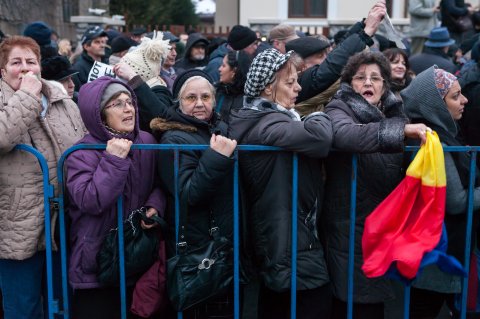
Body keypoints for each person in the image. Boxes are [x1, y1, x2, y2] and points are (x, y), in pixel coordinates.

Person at [322, 51, 430, 318]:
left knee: (374, 302)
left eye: (375, 78)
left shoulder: (394, 110)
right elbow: (346, 135)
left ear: (385, 84)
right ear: (350, 83)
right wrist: (402, 132)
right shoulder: (338, 107)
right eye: (360, 78)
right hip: (350, 223)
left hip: (383, 225)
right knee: (354, 303)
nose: (368, 83)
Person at [228, 48, 333, 319]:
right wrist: (319, 114)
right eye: (290, 82)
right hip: (287, 242)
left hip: (286, 235)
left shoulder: (266, 117)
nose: (298, 87)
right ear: (267, 90)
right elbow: (319, 138)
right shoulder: (267, 123)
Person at [65, 76, 165, 319]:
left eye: (129, 101)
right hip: (97, 262)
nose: (128, 108)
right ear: (98, 113)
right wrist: (113, 160)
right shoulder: (80, 153)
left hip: (138, 256)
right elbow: (91, 200)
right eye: (117, 104)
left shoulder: (147, 142)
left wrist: (155, 205)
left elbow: (160, 185)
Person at [0, 35, 85, 318]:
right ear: (2, 70)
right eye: (15, 62)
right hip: (16, 227)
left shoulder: (62, 101)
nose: (24, 68)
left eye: (31, 62)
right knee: (23, 309)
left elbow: (81, 148)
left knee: (61, 306)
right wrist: (26, 96)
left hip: (62, 224)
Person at [151, 69, 237, 318]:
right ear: (179, 102)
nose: (199, 103)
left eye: (205, 97)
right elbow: (189, 192)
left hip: (223, 243)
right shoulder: (173, 140)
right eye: (191, 98)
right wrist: (216, 157)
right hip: (199, 250)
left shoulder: (219, 128)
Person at [402, 66, 478, 319]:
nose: (464, 99)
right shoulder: (435, 142)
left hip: (441, 250)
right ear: (435, 105)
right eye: (455, 96)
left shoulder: (442, 135)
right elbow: (455, 201)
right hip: (439, 251)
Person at [113, 31, 172, 133]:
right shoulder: (135, 91)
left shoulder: (159, 89)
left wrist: (133, 78)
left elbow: (160, 116)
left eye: (124, 74)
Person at [216, 50, 251, 123]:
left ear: (234, 71)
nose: (219, 69)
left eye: (223, 65)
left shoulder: (247, 100)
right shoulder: (218, 91)